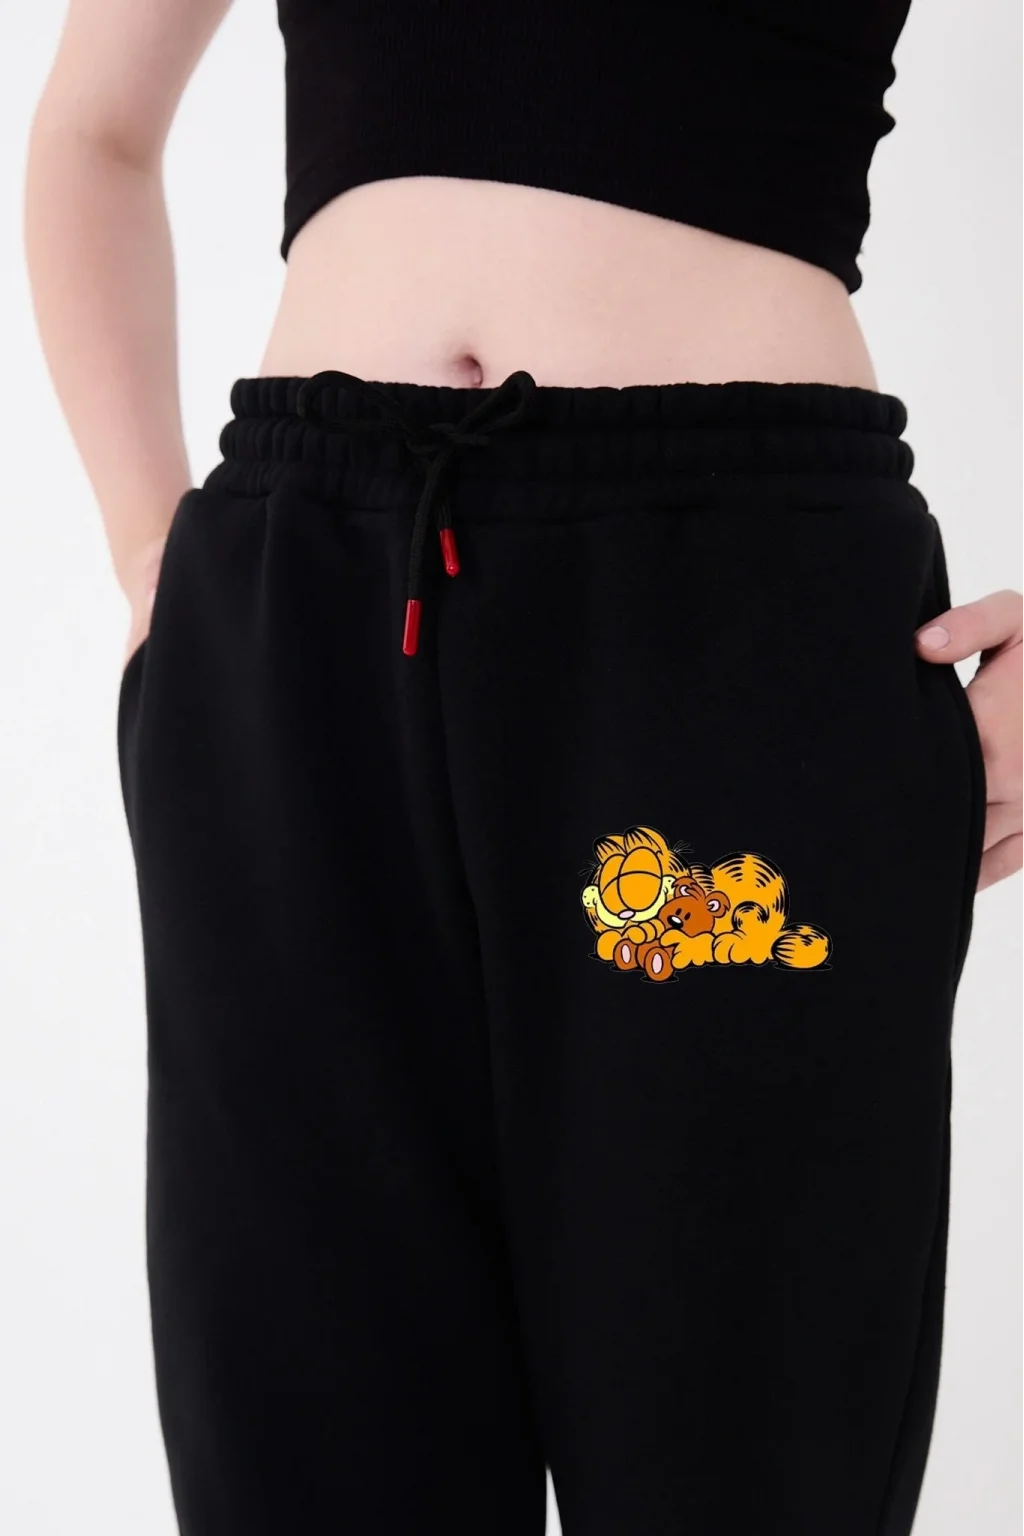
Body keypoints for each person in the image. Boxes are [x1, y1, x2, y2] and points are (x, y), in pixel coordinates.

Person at [23, 1, 1023, 1533]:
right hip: (303, 615)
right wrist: (156, 555)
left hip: (739, 617)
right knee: (307, 1458)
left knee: (747, 1458)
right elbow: (94, 130)